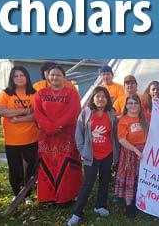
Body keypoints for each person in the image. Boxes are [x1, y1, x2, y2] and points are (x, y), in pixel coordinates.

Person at [67, 86, 120, 225]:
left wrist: (116, 154)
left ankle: (100, 206)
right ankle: (77, 213)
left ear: (107, 99)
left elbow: (114, 135)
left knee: (104, 181)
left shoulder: (111, 114)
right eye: (98, 96)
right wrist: (82, 151)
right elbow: (78, 134)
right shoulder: (86, 113)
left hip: (107, 154)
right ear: (93, 98)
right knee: (88, 184)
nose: (101, 99)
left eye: (103, 96)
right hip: (91, 155)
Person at [33, 65, 82, 204]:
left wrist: (57, 126)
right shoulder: (40, 94)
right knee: (47, 164)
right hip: (46, 136)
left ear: (64, 77)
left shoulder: (72, 93)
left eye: (58, 75)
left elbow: (73, 112)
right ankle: (47, 197)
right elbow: (37, 113)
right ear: (47, 77)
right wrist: (49, 127)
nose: (55, 77)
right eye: (52, 75)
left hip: (65, 135)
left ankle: (65, 197)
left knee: (65, 164)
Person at [0, 66, 38, 204]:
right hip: (12, 140)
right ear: (12, 79)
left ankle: (27, 195)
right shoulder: (5, 94)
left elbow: (36, 114)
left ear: (27, 77)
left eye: (22, 75)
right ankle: (16, 193)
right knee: (15, 169)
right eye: (16, 76)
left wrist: (18, 117)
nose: (19, 78)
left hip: (31, 137)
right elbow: (2, 111)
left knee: (30, 168)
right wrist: (25, 111)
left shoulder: (34, 94)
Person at [115, 95, 148, 218]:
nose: (133, 105)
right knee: (130, 177)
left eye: (135, 103)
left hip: (144, 152)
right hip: (130, 152)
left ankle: (140, 201)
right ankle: (129, 205)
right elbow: (122, 140)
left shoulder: (144, 118)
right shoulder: (124, 120)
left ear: (140, 105)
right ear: (126, 105)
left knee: (141, 177)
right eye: (130, 103)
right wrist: (136, 151)